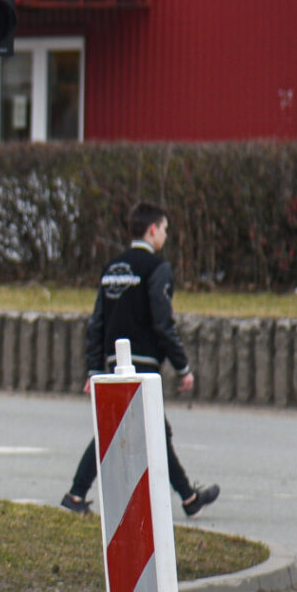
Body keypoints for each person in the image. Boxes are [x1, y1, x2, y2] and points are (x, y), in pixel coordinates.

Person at [61, 202, 219, 518]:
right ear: (152, 230)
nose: (165, 235)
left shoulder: (111, 268)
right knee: (126, 431)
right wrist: (182, 366)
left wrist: (94, 369)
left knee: (140, 430)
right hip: (143, 363)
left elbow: (97, 322)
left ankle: (188, 498)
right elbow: (163, 322)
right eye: (164, 229)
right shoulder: (156, 269)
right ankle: (76, 495)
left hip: (112, 362)